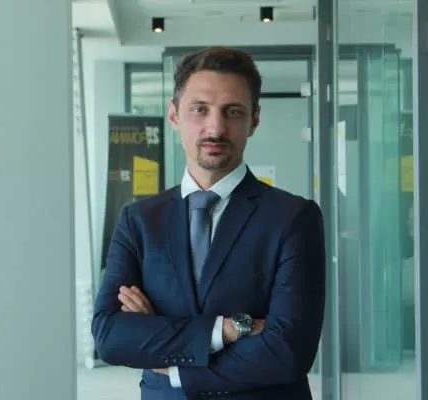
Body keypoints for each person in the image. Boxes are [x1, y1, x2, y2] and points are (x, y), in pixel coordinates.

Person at [91, 46, 326, 400]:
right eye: (199, 109)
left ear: (254, 120)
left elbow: (288, 351)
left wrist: (172, 364)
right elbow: (110, 336)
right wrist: (227, 329)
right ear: (174, 115)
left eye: (233, 112)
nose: (215, 127)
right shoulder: (138, 220)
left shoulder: (293, 218)